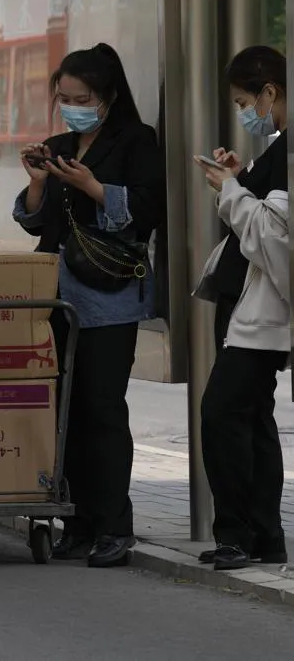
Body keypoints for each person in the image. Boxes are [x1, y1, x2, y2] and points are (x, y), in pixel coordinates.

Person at [12, 44, 165, 567]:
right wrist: (38, 183)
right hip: (56, 291)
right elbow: (37, 221)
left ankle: (113, 524)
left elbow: (147, 211)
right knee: (63, 408)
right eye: (64, 98)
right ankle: (74, 519)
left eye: (82, 98)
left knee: (102, 407)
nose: (72, 107)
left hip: (108, 296)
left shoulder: (136, 141)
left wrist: (94, 187)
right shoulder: (59, 144)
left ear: (109, 96)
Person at [194, 45, 290, 571]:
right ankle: (261, 536)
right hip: (242, 306)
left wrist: (231, 189)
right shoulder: (274, 154)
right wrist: (241, 175)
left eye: (242, 101)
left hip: (261, 314)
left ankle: (238, 533)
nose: (242, 113)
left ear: (269, 93)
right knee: (251, 417)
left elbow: (275, 239)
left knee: (223, 412)